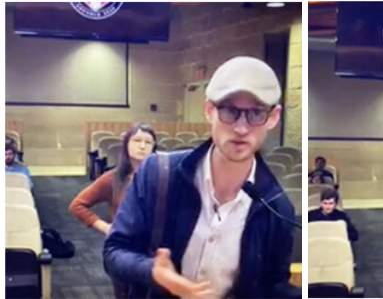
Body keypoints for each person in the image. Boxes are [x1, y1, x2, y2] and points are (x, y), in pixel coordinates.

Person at [103, 56, 299, 299]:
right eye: (229, 111)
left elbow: (272, 286)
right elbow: (114, 251)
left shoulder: (277, 208)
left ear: (273, 117)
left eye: (256, 113)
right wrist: (152, 270)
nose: (241, 128)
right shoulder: (158, 173)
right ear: (209, 110)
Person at [71, 125, 157, 296]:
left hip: (154, 250)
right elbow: (77, 205)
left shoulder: (163, 176)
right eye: (137, 140)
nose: (142, 146)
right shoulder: (113, 178)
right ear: (126, 145)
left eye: (148, 142)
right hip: (125, 250)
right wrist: (106, 227)